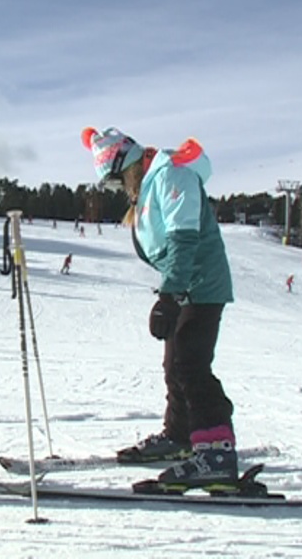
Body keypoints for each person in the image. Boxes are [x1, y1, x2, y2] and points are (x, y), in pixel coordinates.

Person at [82, 126, 237, 490]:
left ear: (130, 163)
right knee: (174, 363)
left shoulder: (171, 174)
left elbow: (184, 239)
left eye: (119, 179)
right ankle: (181, 436)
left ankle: (216, 454)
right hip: (186, 286)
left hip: (201, 286)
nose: (121, 188)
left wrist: (170, 295)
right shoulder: (151, 184)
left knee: (191, 363)